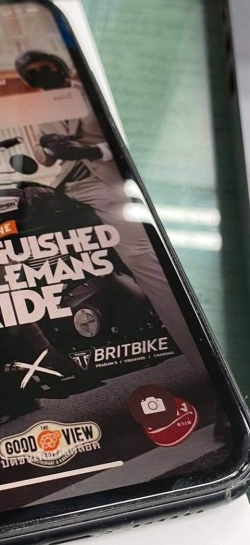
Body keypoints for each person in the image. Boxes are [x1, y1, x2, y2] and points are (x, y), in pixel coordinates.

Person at [14, 49, 203, 372]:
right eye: (33, 72)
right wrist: (47, 147)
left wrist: (91, 150)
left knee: (143, 259)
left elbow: (132, 137)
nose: (42, 73)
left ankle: (199, 355)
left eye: (45, 66)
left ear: (60, 66)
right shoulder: (44, 107)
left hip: (106, 183)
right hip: (68, 187)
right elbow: (41, 153)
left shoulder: (95, 91)